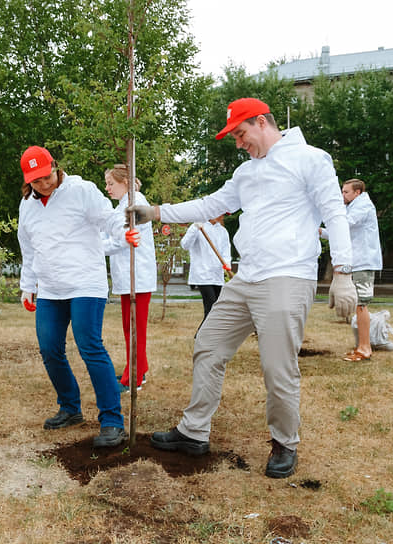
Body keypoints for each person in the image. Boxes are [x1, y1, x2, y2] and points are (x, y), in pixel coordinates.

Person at [125, 97, 357, 478]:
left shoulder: (311, 160)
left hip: (287, 276)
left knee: (277, 367)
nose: (238, 143)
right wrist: (156, 212)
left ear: (262, 122)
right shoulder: (246, 173)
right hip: (246, 277)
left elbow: (335, 212)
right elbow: (210, 203)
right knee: (209, 345)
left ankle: (285, 442)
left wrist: (343, 272)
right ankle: (194, 432)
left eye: (240, 133)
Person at [18, 146, 138, 448]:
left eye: (46, 177)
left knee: (89, 347)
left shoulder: (81, 190)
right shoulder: (27, 205)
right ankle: (70, 408)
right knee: (49, 349)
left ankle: (112, 420)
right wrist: (27, 285)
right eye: (36, 181)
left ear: (55, 167)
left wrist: (124, 231)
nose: (43, 185)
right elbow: (28, 248)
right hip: (49, 287)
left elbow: (109, 219)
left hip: (86, 283)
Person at [102, 164, 156, 394]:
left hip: (138, 277)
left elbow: (122, 239)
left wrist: (96, 247)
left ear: (125, 182)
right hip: (128, 277)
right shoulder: (121, 206)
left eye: (110, 184)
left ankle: (134, 377)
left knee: (135, 329)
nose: (107, 188)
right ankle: (136, 369)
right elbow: (111, 234)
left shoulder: (136, 204)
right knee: (129, 327)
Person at [320, 178, 383, 361]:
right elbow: (338, 231)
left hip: (363, 262)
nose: (342, 195)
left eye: (346, 192)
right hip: (356, 262)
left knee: (361, 305)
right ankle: (362, 346)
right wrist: (320, 232)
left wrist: (328, 213)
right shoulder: (353, 207)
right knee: (358, 305)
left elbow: (344, 225)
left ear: (358, 192)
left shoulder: (363, 206)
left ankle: (365, 348)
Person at [181, 216, 231, 330]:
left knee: (217, 307)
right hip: (202, 274)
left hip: (217, 275)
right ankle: (202, 335)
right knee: (211, 306)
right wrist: (195, 228)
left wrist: (227, 263)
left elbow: (226, 250)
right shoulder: (198, 226)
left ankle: (207, 335)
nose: (222, 216)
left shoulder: (223, 231)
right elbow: (185, 245)